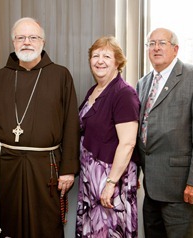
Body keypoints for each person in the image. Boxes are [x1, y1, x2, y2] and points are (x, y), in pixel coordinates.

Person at [0, 17, 80, 238]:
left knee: (46, 225)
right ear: (13, 42)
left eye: (33, 37)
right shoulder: (1, 77)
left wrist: (68, 169)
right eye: (21, 38)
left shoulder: (60, 75)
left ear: (43, 41)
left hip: (46, 166)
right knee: (11, 223)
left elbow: (71, 123)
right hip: (8, 165)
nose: (27, 42)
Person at [136, 28, 193, 238]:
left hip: (182, 190)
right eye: (151, 43)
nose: (155, 48)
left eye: (161, 43)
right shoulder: (143, 83)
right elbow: (142, 132)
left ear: (175, 49)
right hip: (152, 190)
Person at [75, 36, 140, 237]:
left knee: (110, 231)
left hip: (111, 178)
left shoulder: (123, 93)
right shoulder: (94, 91)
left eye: (106, 56)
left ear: (118, 62)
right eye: (95, 56)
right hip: (90, 179)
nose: (99, 61)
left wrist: (111, 184)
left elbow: (128, 143)